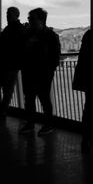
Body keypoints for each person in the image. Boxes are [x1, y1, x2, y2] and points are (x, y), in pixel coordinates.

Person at [19, 8, 61, 136]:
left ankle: (46, 124)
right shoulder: (28, 34)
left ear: (41, 20)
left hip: (42, 73)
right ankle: (34, 124)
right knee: (31, 98)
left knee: (43, 98)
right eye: (29, 18)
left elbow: (55, 57)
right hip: (30, 72)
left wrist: (48, 70)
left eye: (32, 18)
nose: (29, 20)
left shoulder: (50, 36)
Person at [0, 7, 26, 120]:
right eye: (7, 13)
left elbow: (5, 47)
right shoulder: (15, 29)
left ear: (15, 15)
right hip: (8, 64)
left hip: (8, 64)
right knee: (3, 88)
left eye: (9, 13)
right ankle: (0, 111)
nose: (7, 15)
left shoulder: (13, 29)